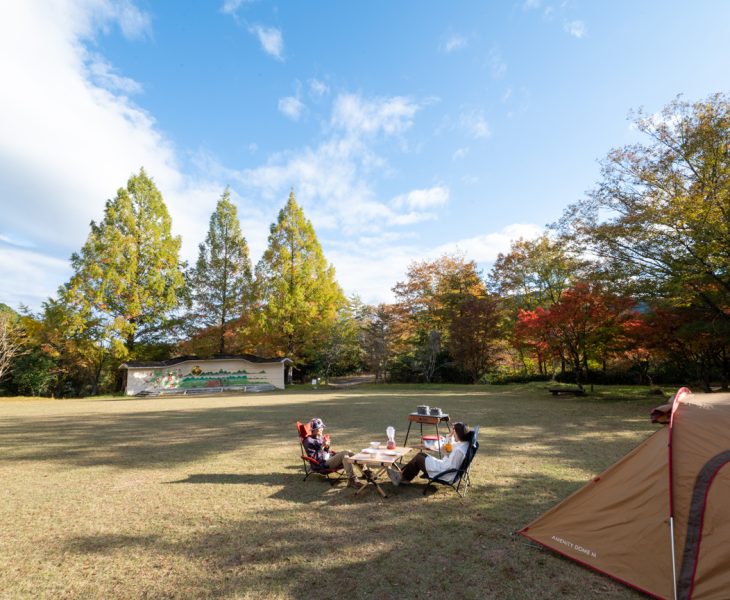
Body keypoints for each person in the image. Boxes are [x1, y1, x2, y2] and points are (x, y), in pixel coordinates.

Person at [387, 422, 472, 486]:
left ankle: (401, 477)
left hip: (445, 473)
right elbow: (450, 448)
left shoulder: (459, 451)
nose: (454, 435)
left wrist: (436, 462)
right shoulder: (464, 444)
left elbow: (450, 466)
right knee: (420, 455)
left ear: (458, 434)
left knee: (418, 458)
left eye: (455, 433)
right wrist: (450, 436)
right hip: (444, 466)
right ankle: (402, 476)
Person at [302, 417, 364, 488]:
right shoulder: (308, 441)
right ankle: (352, 480)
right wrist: (322, 446)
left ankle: (366, 472)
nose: (322, 429)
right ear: (314, 429)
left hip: (329, 457)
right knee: (344, 454)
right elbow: (314, 458)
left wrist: (327, 446)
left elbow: (326, 451)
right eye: (320, 428)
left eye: (322, 427)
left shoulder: (320, 437)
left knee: (349, 452)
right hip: (322, 464)